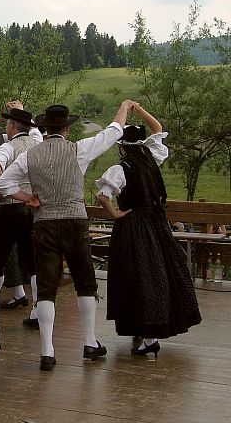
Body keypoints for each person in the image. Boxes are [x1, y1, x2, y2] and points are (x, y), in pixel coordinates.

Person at [0, 100, 134, 370]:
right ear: (67, 128)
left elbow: (2, 184)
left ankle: (47, 351)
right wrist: (125, 107)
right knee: (85, 281)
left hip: (45, 222)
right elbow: (114, 131)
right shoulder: (78, 150)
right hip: (74, 222)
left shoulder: (30, 155)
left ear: (45, 128)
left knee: (46, 287)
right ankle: (90, 342)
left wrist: (28, 198)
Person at [95, 104, 202, 357]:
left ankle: (149, 336)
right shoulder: (152, 158)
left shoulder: (121, 169)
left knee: (138, 276)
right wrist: (140, 110)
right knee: (159, 273)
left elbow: (103, 195)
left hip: (133, 227)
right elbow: (159, 129)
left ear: (122, 146)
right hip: (157, 224)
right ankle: (143, 331)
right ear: (142, 143)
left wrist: (115, 214)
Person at [0, 102, 42, 323]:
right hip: (34, 207)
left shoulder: (7, 147)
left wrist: (2, 187)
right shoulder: (38, 143)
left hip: (11, 207)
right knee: (32, 261)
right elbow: (36, 131)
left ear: (11, 126)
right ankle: (38, 310)